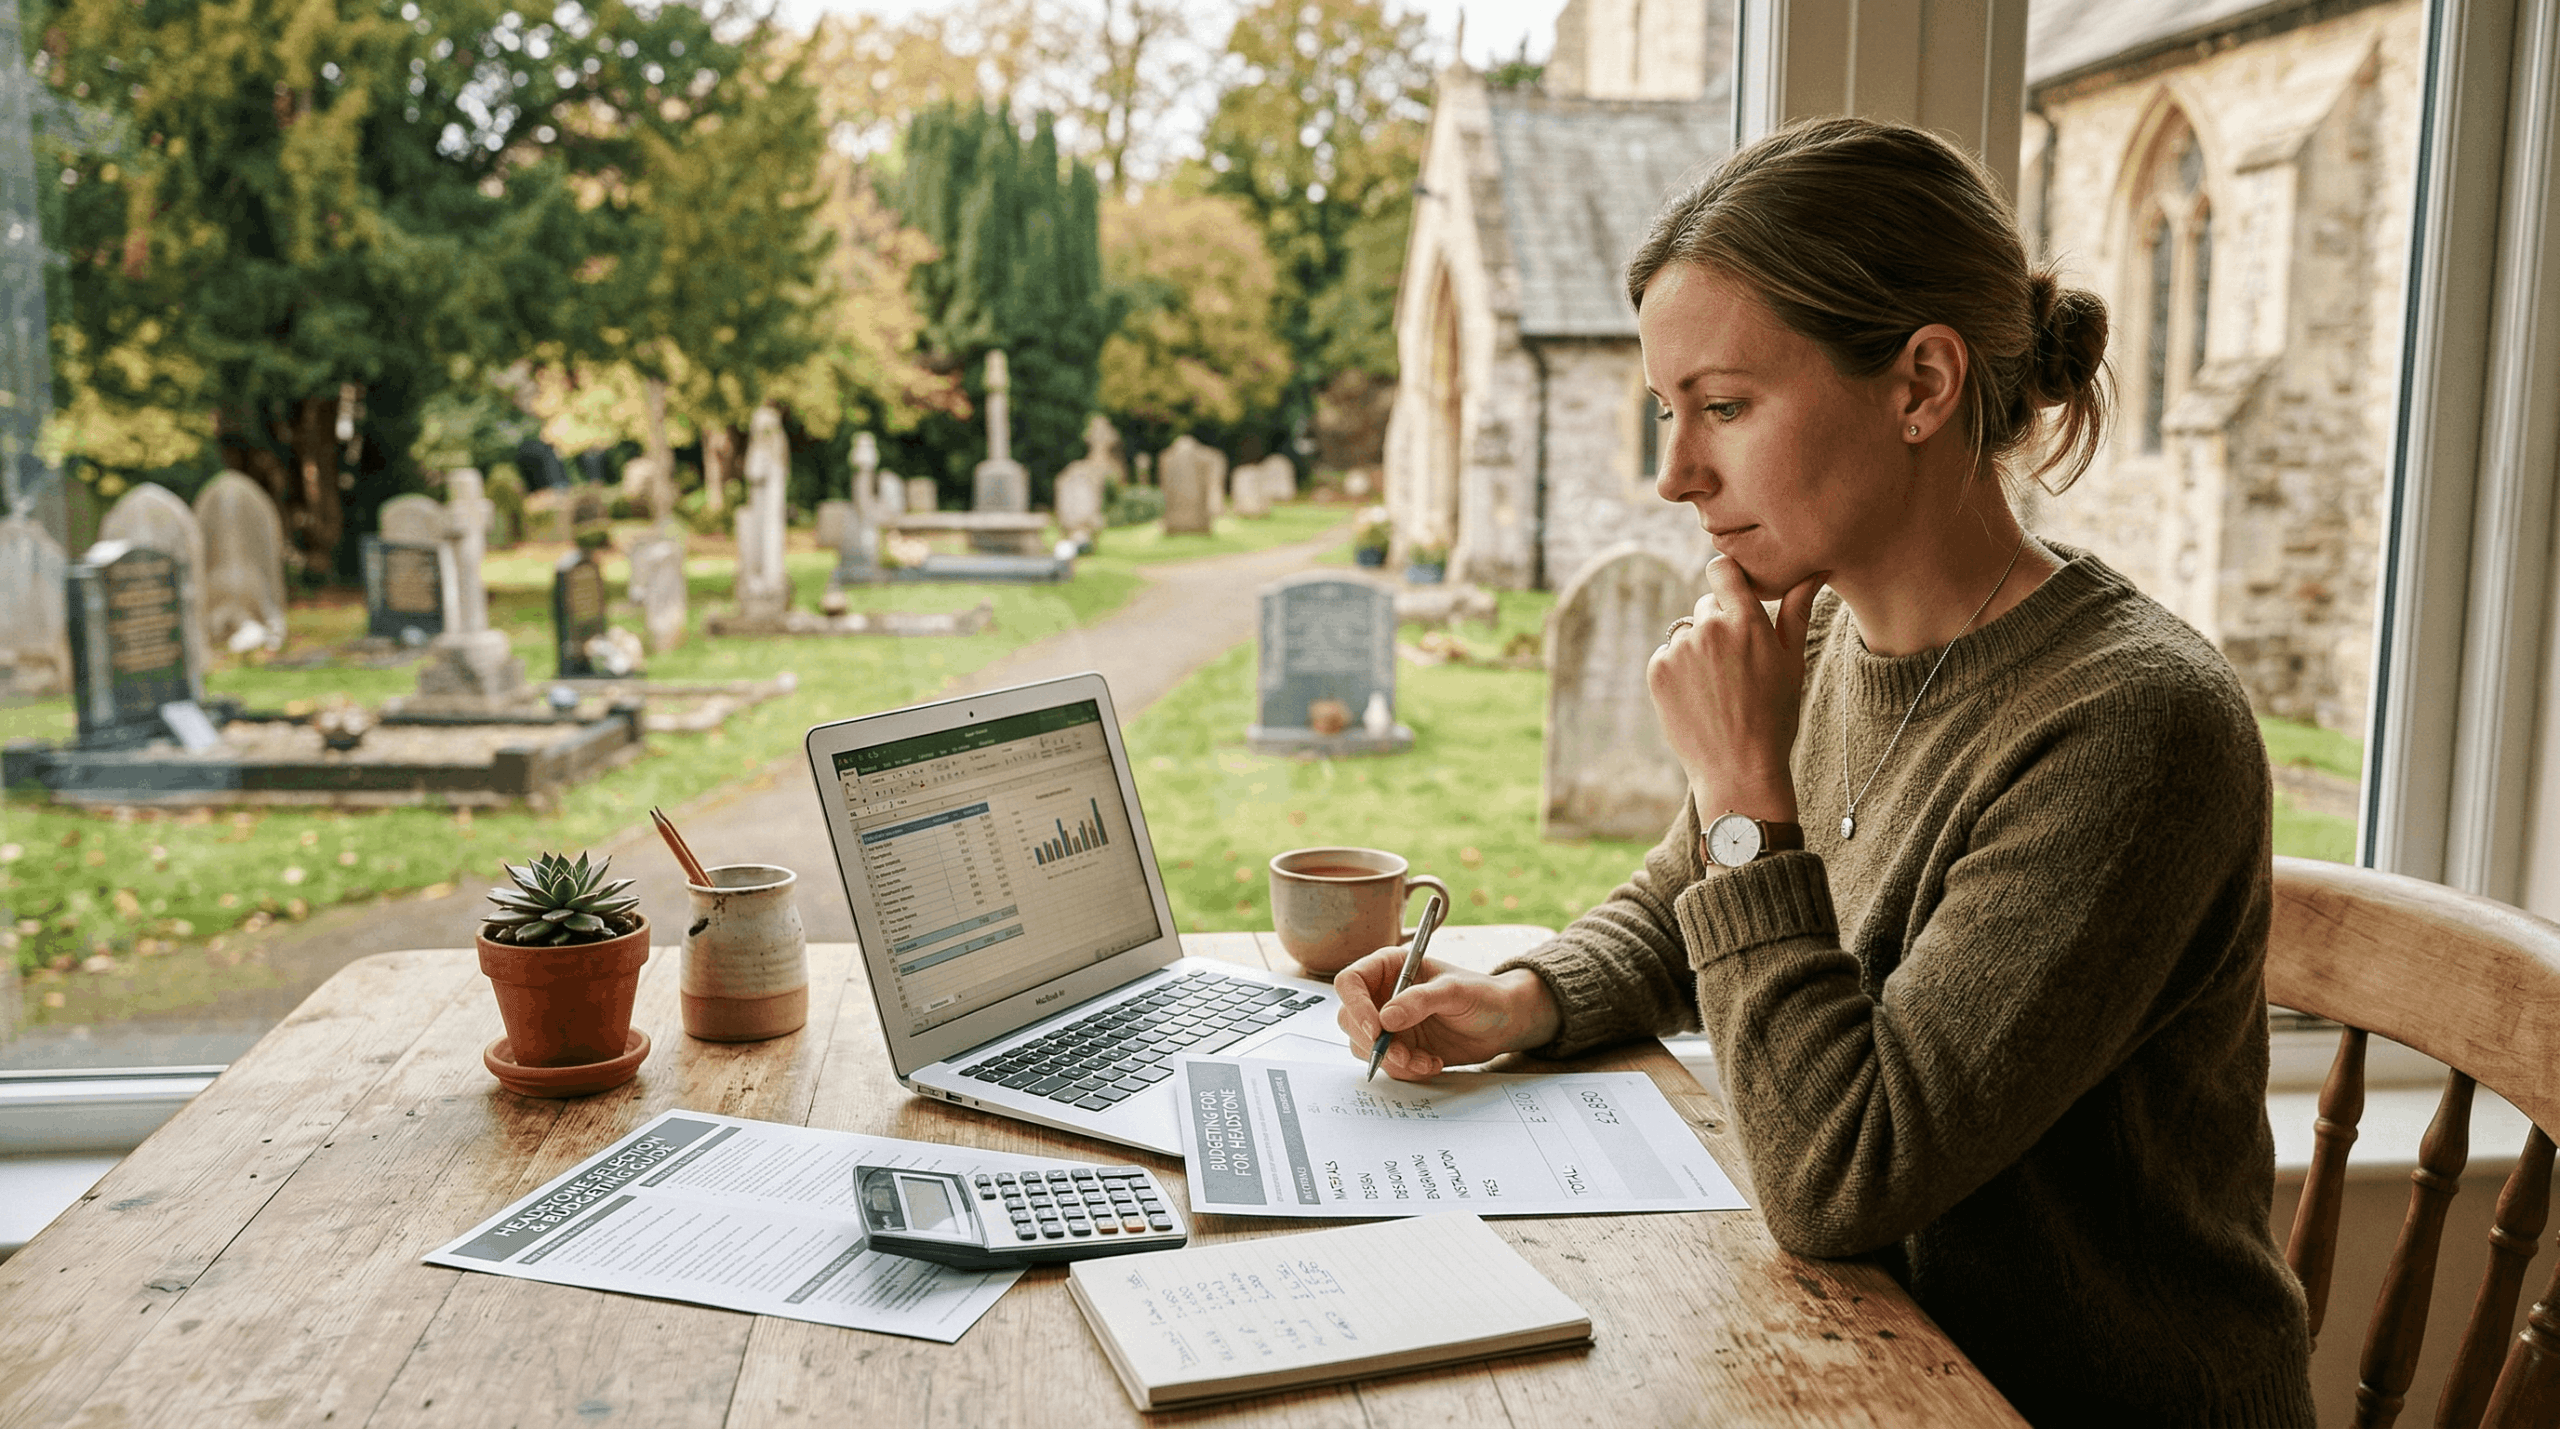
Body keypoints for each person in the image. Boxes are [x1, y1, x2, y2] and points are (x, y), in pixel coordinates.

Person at [1333, 117, 2316, 1427]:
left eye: (1725, 408)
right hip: (1852, 1365)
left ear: (1920, 385)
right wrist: (1521, 999)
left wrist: (1747, 789)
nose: (1679, 476)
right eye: (1666, 415)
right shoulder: (1838, 627)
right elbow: (1696, 894)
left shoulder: (2133, 727)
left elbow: (1838, 1176)